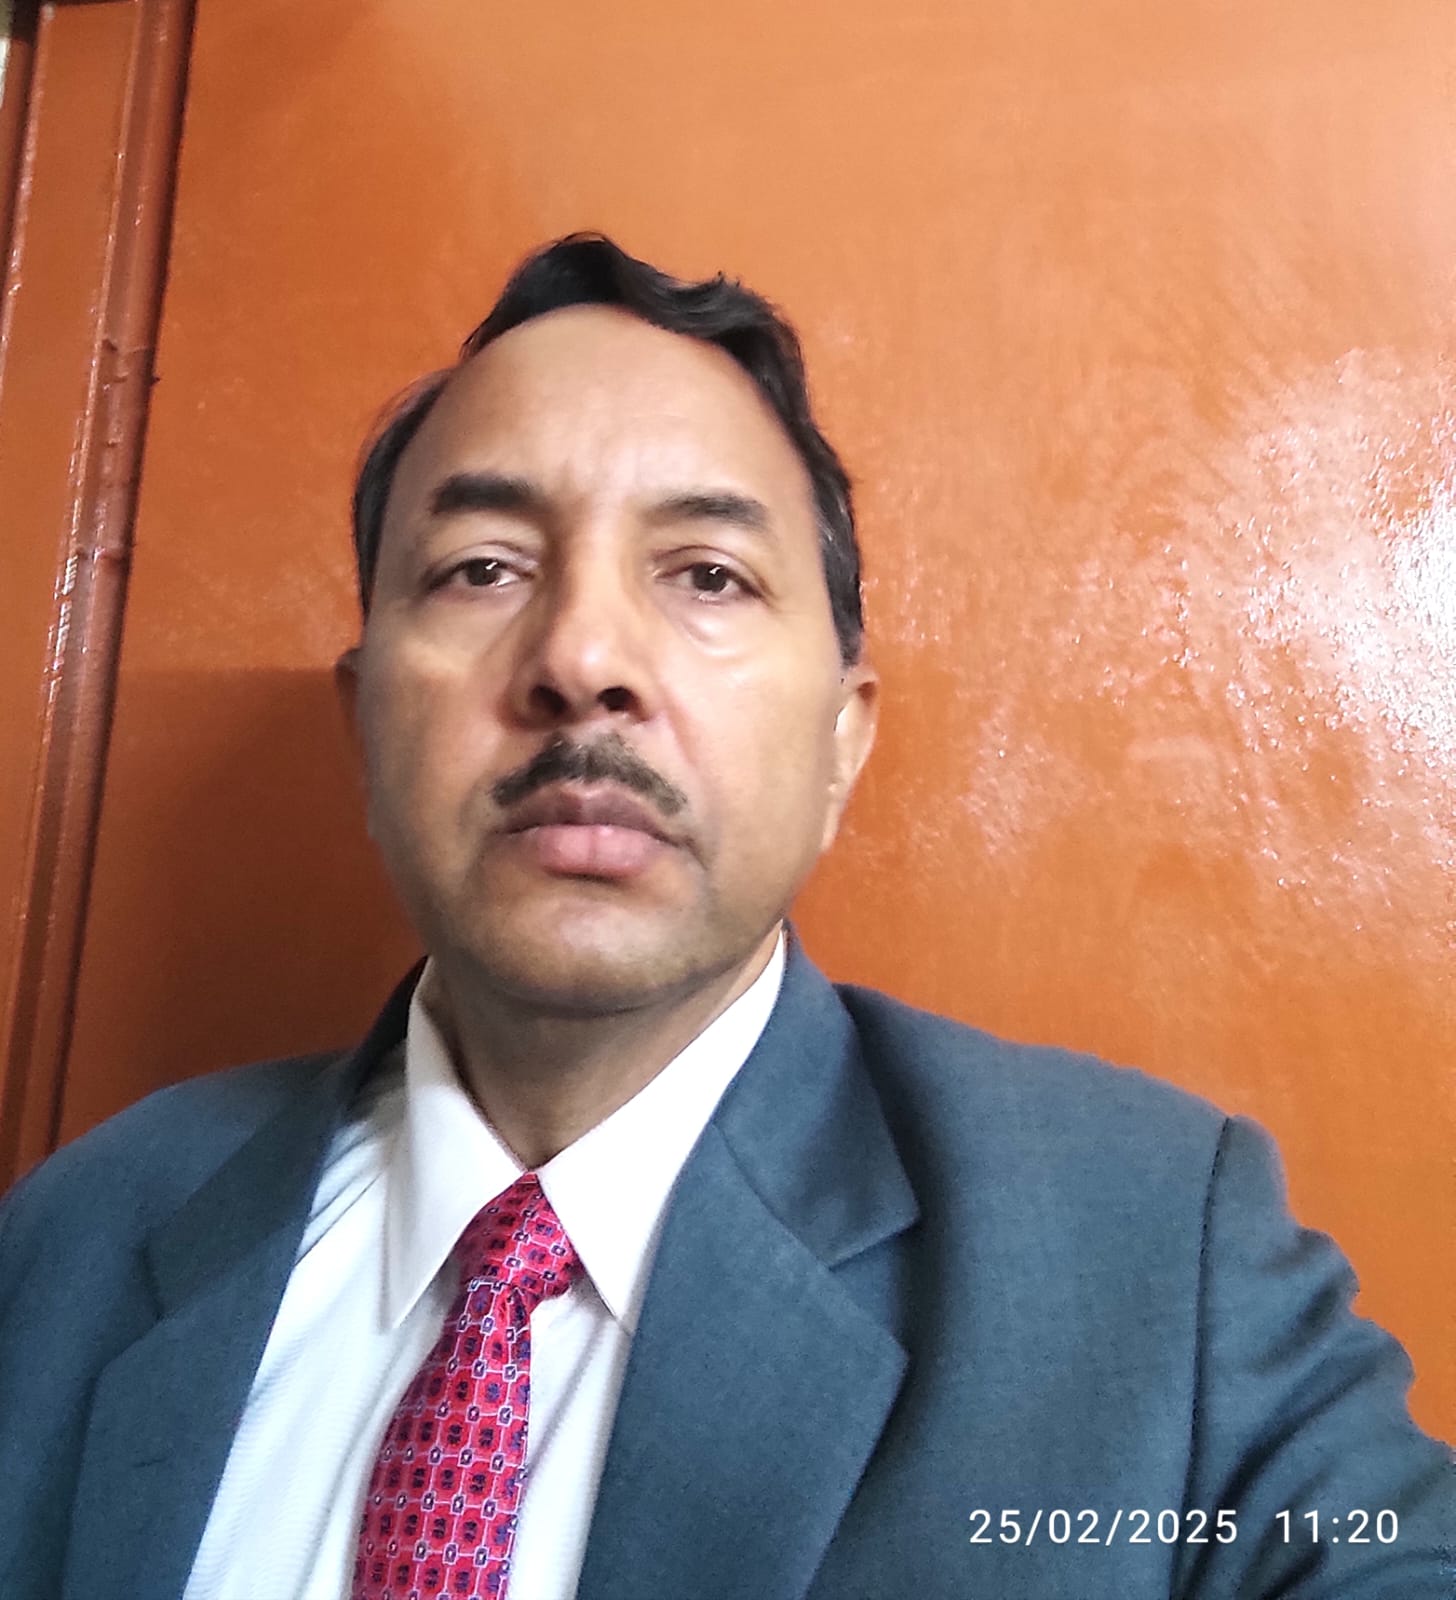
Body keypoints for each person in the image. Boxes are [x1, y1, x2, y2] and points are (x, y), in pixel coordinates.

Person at [0, 233, 1448, 1600]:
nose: (583, 658)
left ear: (841, 743)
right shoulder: (74, 1241)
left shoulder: (1155, 1257)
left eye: (708, 574)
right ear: (363, 723)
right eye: (483, 567)